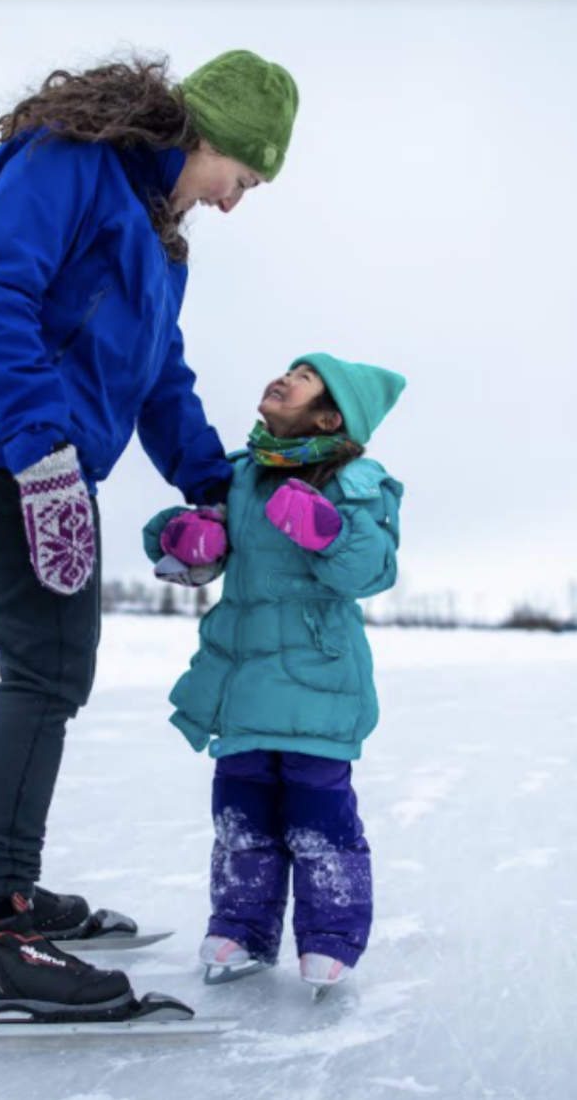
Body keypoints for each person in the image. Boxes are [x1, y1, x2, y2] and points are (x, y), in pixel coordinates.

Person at [0, 50, 299, 1018]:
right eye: (242, 178)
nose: (235, 203)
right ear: (207, 133)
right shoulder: (71, 159)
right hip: (4, 440)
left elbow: (160, 380)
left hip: (43, 459)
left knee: (49, 663)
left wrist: (218, 483)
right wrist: (41, 453)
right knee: (46, 666)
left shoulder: (160, 247)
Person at [144, 353, 406, 989]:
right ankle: (239, 929)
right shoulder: (238, 475)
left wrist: (329, 532)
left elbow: (374, 570)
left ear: (330, 413)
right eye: (288, 368)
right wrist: (181, 538)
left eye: (306, 378)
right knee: (240, 813)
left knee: (319, 816)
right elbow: (175, 545)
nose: (284, 377)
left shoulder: (356, 481)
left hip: (319, 678)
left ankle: (331, 938)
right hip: (240, 675)